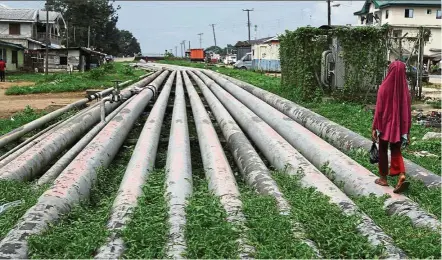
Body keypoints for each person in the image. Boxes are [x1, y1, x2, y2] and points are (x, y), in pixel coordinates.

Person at [372, 60, 411, 193]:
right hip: (399, 127)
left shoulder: (383, 87)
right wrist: (407, 131)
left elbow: (379, 110)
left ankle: (383, 178)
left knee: (383, 149)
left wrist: (374, 127)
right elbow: (407, 113)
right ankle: (401, 174)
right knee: (396, 149)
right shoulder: (405, 91)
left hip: (384, 126)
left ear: (390, 71)